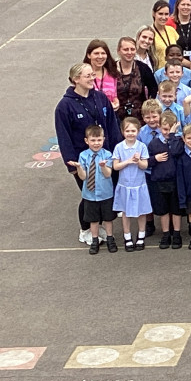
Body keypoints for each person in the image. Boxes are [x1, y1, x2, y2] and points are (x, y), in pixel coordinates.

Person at [56, 63, 123, 245]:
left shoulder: (100, 98)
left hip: (104, 157)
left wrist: (117, 150)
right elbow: (64, 137)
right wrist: (71, 164)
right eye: (87, 76)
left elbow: (112, 125)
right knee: (89, 194)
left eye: (93, 75)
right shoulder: (65, 106)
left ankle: (98, 225)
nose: (92, 78)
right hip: (83, 160)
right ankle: (85, 229)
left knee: (103, 192)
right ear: (76, 79)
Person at [65, 125, 117, 255]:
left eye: (99, 140)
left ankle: (110, 238)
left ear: (103, 140)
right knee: (93, 219)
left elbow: (108, 174)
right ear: (86, 141)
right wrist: (79, 168)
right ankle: (94, 240)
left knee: (108, 218)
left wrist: (104, 166)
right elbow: (83, 177)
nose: (96, 143)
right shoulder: (83, 156)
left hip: (105, 193)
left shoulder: (107, 155)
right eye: (93, 140)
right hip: (90, 194)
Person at [112, 117, 152, 252]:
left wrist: (138, 161)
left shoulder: (141, 146)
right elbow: (116, 166)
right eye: (127, 130)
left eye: (133, 131)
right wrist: (128, 161)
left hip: (139, 184)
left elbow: (145, 165)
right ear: (123, 131)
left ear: (138, 131)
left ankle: (141, 235)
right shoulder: (119, 147)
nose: (130, 133)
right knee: (126, 212)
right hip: (125, 185)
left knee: (141, 212)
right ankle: (127, 236)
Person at [147, 111, 185, 250]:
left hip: (175, 181)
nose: (167, 132)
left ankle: (176, 234)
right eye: (165, 129)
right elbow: (147, 161)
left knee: (176, 210)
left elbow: (175, 152)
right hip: (159, 181)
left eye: (170, 129)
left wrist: (174, 135)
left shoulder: (177, 141)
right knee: (163, 210)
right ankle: (165, 234)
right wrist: (154, 159)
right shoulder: (153, 143)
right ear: (159, 127)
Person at [114, 36, 159, 122]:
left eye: (132, 49)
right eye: (126, 49)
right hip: (117, 117)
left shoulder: (143, 68)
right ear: (118, 51)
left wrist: (148, 105)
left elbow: (153, 88)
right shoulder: (111, 69)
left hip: (139, 117)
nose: (129, 52)